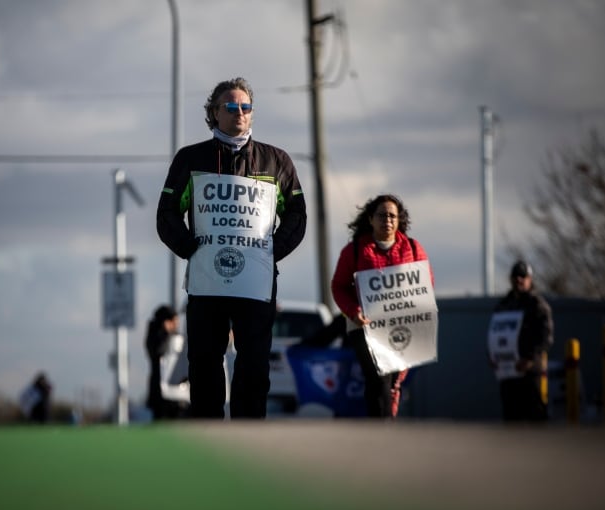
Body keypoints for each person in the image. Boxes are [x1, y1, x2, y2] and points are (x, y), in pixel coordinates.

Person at [156, 77, 307, 419]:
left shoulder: (277, 161)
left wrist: (271, 250)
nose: (239, 112)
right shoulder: (190, 158)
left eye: (245, 107)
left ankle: (249, 435)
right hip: (207, 280)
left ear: (252, 114)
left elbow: (297, 214)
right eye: (230, 106)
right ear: (213, 113)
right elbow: (166, 213)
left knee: (254, 363)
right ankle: (208, 435)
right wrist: (188, 247)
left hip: (256, 281)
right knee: (205, 363)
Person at [330, 194, 432, 418]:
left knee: (391, 381)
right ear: (370, 219)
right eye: (382, 215)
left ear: (399, 220)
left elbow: (425, 285)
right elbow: (338, 286)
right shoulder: (355, 250)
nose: (387, 219)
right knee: (378, 374)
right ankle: (382, 429)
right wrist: (353, 311)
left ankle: (383, 423)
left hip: (401, 327)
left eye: (392, 215)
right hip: (363, 327)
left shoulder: (413, 249)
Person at [490, 260, 553, 422]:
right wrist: (492, 357)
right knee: (511, 418)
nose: (519, 279)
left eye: (523, 276)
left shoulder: (537, 305)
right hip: (507, 372)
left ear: (530, 279)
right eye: (515, 276)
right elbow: (495, 334)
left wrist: (530, 359)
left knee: (535, 416)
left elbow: (546, 336)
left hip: (529, 372)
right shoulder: (504, 304)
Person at [144, 305, 183, 420]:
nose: (177, 325)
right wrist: (166, 334)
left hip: (176, 389)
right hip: (160, 388)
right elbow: (158, 351)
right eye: (174, 321)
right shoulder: (157, 337)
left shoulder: (175, 336)